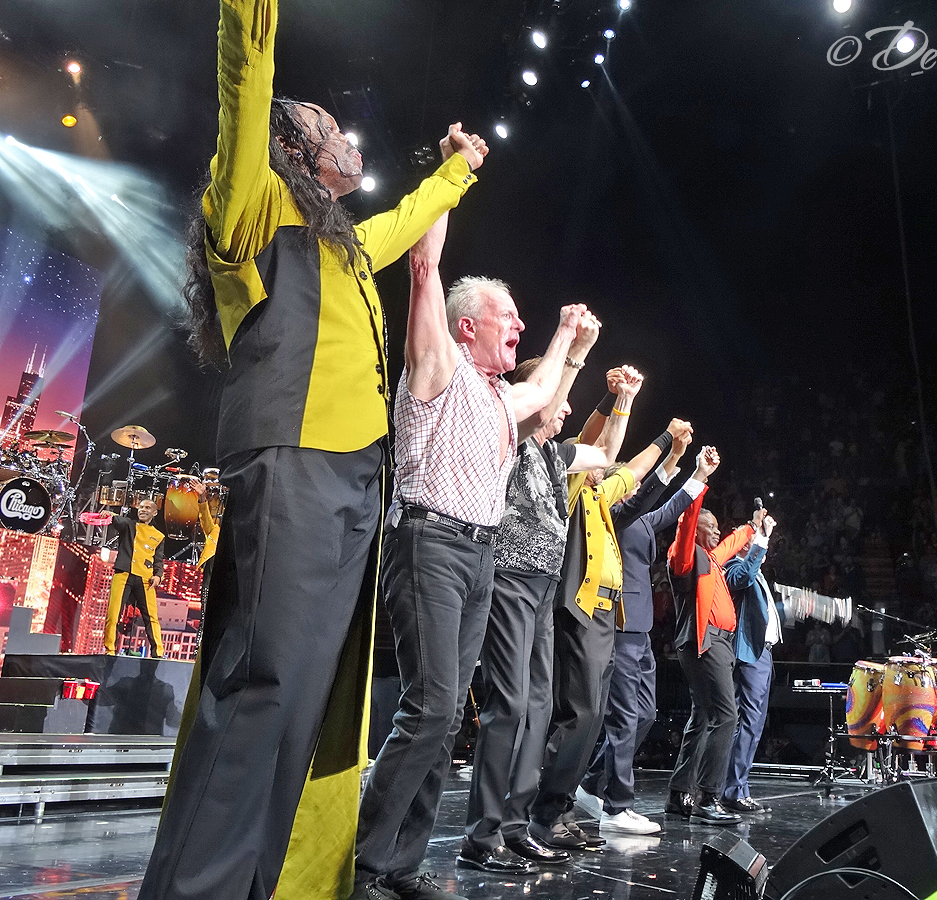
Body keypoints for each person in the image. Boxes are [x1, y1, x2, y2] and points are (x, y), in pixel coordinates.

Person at [140, 0, 488, 895]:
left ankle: (257, 884)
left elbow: (405, 220)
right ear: (293, 146)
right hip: (292, 458)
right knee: (263, 683)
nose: (345, 137)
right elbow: (245, 77)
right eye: (327, 126)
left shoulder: (345, 246)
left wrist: (456, 171)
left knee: (305, 698)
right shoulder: (252, 202)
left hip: (357, 478)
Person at [355, 199, 589, 900]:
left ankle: (401, 866)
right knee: (430, 707)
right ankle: (364, 863)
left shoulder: (498, 399)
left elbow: (542, 388)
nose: (518, 325)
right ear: (467, 327)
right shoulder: (438, 366)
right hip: (429, 542)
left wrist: (568, 337)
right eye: (507, 317)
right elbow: (424, 267)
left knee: (449, 714)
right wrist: (448, 182)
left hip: (479, 556)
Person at [459, 360, 646, 873]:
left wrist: (625, 400)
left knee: (539, 709)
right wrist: (575, 355)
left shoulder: (555, 454)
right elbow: (541, 406)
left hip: (543, 587)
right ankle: (482, 834)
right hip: (511, 578)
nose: (566, 409)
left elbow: (606, 455)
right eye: (558, 400)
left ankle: (515, 826)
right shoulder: (513, 434)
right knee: (511, 704)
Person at [528, 417, 693, 849]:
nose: (604, 467)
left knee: (594, 717)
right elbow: (616, 461)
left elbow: (637, 480)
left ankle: (563, 806)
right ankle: (547, 811)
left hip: (606, 611)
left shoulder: (600, 499)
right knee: (580, 714)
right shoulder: (572, 488)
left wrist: (672, 454)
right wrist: (632, 414)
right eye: (597, 462)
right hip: (582, 608)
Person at [578, 433, 705, 835]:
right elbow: (647, 498)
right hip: (620, 624)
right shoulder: (612, 513)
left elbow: (669, 509)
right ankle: (617, 807)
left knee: (645, 714)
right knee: (624, 716)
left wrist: (698, 474)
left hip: (642, 627)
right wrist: (669, 459)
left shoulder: (640, 519)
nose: (636, 488)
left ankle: (589, 782)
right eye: (632, 482)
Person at [665, 449, 764, 826]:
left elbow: (731, 544)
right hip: (705, 643)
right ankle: (708, 797)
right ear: (696, 530)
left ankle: (680, 794)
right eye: (711, 526)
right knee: (726, 714)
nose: (717, 531)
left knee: (705, 715)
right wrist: (700, 479)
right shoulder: (684, 555)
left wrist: (753, 527)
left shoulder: (711, 559)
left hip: (718, 643)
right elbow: (687, 522)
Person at [721, 510, 780, 813]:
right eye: (752, 541)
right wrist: (761, 539)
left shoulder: (757, 572)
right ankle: (732, 790)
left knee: (752, 723)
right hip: (751, 654)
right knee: (748, 722)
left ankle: (736, 787)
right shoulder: (733, 566)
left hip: (762, 653)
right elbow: (741, 578)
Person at [103, 498, 165, 657]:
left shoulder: (158, 536)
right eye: (141, 507)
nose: (143, 510)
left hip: (145, 578)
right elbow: (116, 519)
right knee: (113, 614)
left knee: (151, 617)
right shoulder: (129, 525)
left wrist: (158, 575)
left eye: (147, 508)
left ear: (155, 513)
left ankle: (158, 653)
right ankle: (110, 651)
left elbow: (158, 559)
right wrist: (109, 514)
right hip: (124, 574)